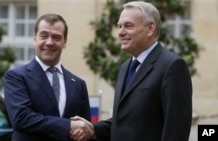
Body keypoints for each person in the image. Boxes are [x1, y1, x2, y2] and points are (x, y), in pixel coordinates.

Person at [71, 1, 192, 141]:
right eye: (119, 26)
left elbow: (176, 131)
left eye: (128, 26)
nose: (121, 32)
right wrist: (92, 128)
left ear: (150, 28)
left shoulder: (172, 66)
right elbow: (124, 123)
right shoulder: (124, 67)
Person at [4, 13, 91, 141]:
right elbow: (22, 118)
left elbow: (85, 128)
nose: (49, 42)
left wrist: (84, 133)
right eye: (44, 36)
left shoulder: (78, 84)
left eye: (56, 37)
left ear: (64, 42)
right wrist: (68, 125)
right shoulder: (16, 77)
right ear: (35, 39)